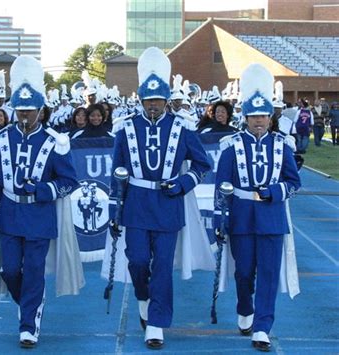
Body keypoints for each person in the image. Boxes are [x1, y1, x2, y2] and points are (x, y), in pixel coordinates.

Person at [109, 47, 210, 350]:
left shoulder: (183, 126)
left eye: (158, 100)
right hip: (137, 205)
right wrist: (115, 210)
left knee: (163, 265)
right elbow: (117, 171)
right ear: (139, 99)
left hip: (168, 205)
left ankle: (157, 323)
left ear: (167, 100)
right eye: (147, 99)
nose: (152, 105)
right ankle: (143, 297)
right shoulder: (125, 127)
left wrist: (182, 183)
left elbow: (203, 164)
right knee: (138, 262)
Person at [0, 55, 83, 348]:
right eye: (20, 109)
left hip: (39, 215)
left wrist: (42, 190)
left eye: (30, 110)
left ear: (41, 110)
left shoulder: (56, 141)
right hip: (10, 213)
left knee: (35, 270)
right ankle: (29, 303)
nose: (24, 115)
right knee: (10, 270)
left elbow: (70, 181)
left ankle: (29, 324)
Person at [214, 63, 301, 352]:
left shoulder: (282, 145)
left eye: (264, 115)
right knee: (243, 272)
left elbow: (293, 182)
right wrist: (219, 220)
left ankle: (263, 327)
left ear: (270, 117)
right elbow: (221, 186)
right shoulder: (231, 145)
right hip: (241, 217)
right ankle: (244, 307)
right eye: (254, 116)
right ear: (246, 117)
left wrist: (274, 192)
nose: (259, 121)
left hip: (272, 218)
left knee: (268, 274)